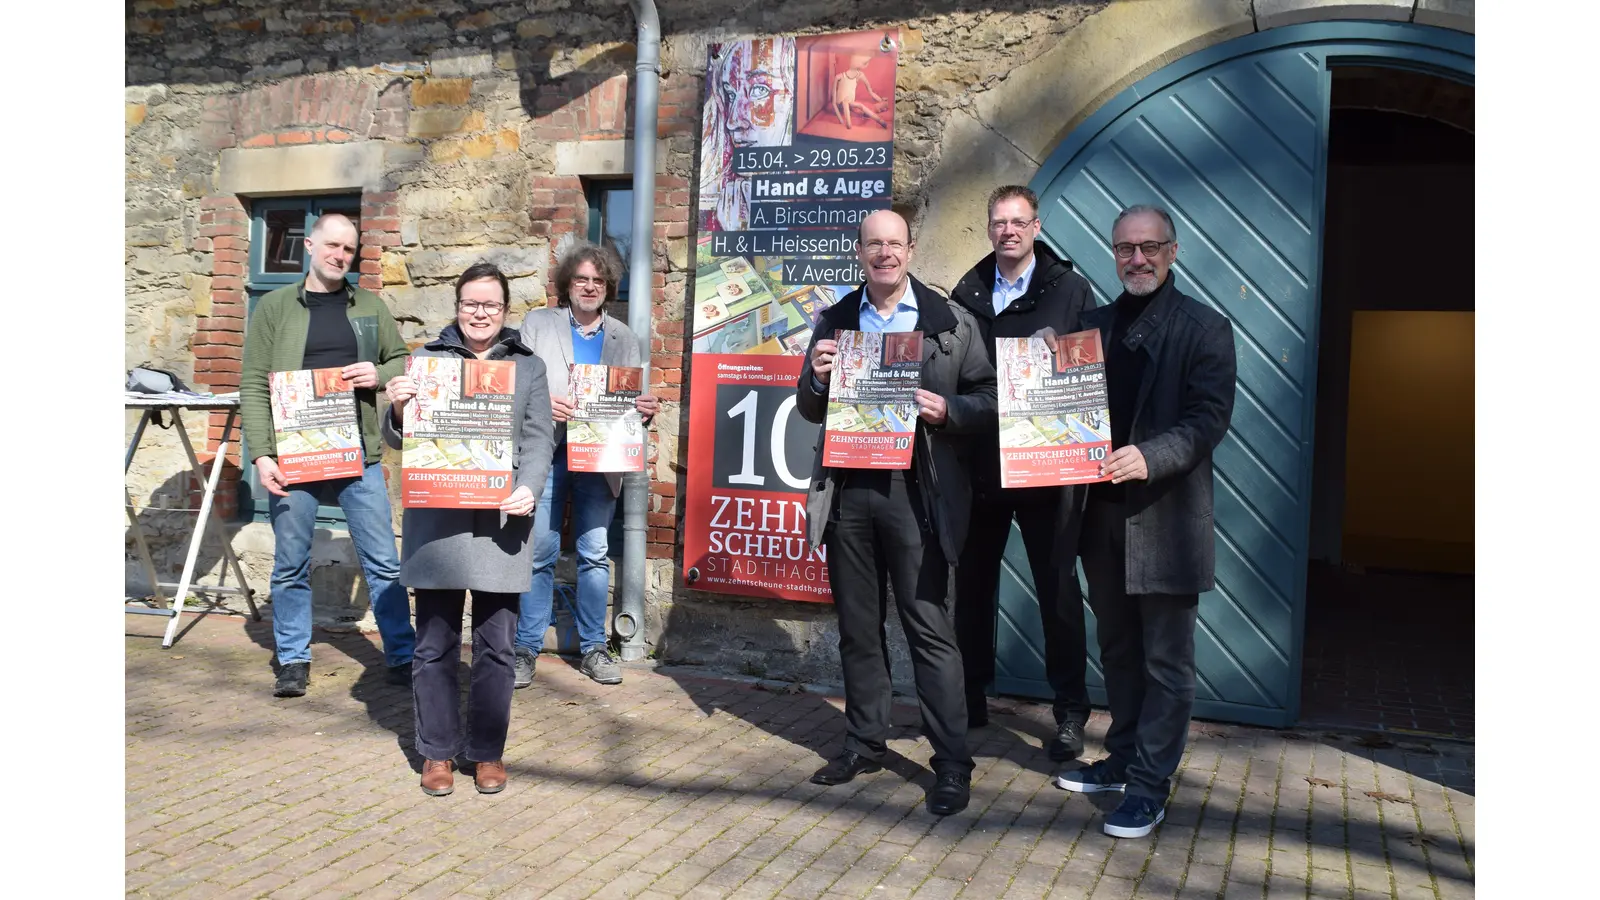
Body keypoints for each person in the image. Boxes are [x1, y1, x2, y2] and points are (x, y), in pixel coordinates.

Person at [796, 210, 996, 817]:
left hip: (918, 493)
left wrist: (949, 410)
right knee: (859, 627)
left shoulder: (950, 322)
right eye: (873, 244)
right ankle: (864, 742)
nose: (884, 254)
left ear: (910, 250)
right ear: (860, 252)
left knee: (929, 629)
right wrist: (818, 378)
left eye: (895, 244)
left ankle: (953, 763)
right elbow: (808, 406)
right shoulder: (835, 319)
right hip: (850, 490)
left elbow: (991, 400)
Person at [1047, 205, 1236, 839]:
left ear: (1172, 251)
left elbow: (1207, 421)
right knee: (1119, 654)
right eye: (1125, 248)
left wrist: (1148, 457)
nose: (1137, 258)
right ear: (1113, 252)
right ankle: (1124, 759)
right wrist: (1044, 374)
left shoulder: (1206, 329)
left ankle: (1151, 788)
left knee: (1167, 665)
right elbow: (1062, 412)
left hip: (1166, 523)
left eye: (1149, 247)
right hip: (1100, 521)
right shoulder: (1090, 328)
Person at [382, 262, 554, 796]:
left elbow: (539, 438)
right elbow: (398, 441)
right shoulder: (426, 361)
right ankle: (436, 753)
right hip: (438, 522)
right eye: (470, 304)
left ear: (505, 312)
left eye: (491, 305)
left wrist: (531, 485)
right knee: (433, 645)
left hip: (503, 520)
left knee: (497, 646)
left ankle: (486, 753)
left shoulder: (529, 366)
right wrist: (398, 408)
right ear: (457, 307)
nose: (480, 313)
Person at [239, 213, 416, 699]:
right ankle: (293, 658)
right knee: (291, 563)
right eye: (333, 246)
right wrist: (262, 455)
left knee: (382, 560)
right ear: (311, 247)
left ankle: (401, 654)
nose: (340, 256)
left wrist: (376, 374)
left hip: (357, 454)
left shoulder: (369, 306)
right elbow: (253, 385)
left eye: (349, 250)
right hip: (295, 457)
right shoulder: (275, 308)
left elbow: (401, 359)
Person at [947, 185, 1096, 760]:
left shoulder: (1070, 289)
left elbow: (1090, 366)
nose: (1008, 230)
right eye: (998, 222)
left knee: (1058, 589)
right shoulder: (966, 292)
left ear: (1036, 226)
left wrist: (1060, 351)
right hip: (982, 462)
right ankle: (971, 695)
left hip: (1046, 463)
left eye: (1018, 221)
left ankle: (1071, 712)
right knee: (974, 591)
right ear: (989, 229)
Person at [514, 241, 661, 688]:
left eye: (599, 280)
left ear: (609, 286)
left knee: (594, 553)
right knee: (539, 552)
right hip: (547, 453)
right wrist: (543, 404)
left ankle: (595, 647)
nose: (590, 287)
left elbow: (627, 403)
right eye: (581, 279)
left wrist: (643, 409)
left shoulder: (623, 338)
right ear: (566, 284)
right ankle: (526, 647)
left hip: (600, 458)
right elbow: (516, 385)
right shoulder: (538, 324)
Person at [831, 56, 889, 130]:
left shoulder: (860, 75)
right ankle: (849, 125)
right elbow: (834, 103)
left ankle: (881, 121)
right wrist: (841, 120)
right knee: (848, 102)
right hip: (841, 104)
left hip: (850, 103)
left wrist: (881, 101)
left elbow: (870, 92)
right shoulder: (838, 77)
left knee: (860, 106)